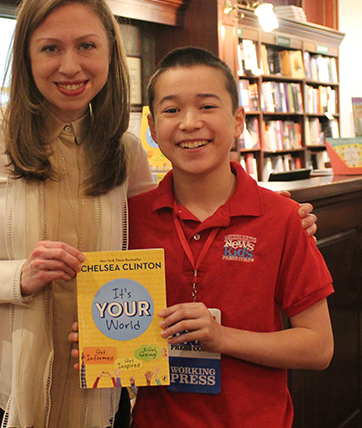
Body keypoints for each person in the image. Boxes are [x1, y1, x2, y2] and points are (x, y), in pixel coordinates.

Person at [0, 0, 318, 428]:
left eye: (86, 46)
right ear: (25, 55)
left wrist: (280, 217)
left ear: (109, 55)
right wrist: (14, 276)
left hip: (99, 387)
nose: (70, 66)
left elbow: (162, 229)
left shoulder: (124, 151)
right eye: (50, 48)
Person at [124, 46, 334, 428]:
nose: (189, 123)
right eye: (172, 110)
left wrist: (221, 337)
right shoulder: (129, 218)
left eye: (207, 107)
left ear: (238, 120)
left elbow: (319, 346)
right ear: (152, 129)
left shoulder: (283, 218)